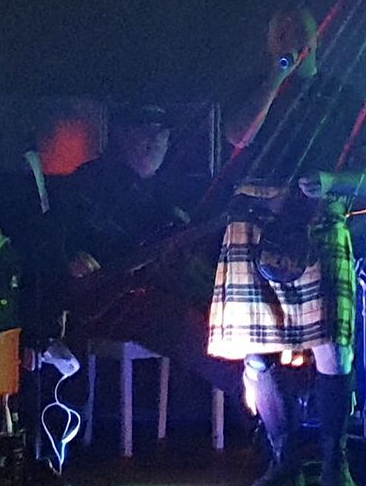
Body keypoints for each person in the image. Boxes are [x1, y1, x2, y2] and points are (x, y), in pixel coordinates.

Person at [205, 7, 366, 486]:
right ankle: (282, 459)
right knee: (255, 351)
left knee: (334, 347)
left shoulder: (344, 97)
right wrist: (276, 78)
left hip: (317, 221)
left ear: (319, 36)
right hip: (254, 223)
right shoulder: (249, 89)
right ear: (270, 43)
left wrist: (332, 182)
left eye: (300, 32)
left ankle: (334, 466)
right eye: (281, 33)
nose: (292, 40)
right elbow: (239, 135)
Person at [58, 105, 238, 394]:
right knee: (181, 323)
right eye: (143, 131)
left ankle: (272, 396)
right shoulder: (90, 180)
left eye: (161, 133)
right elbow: (59, 234)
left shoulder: (173, 189)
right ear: (121, 136)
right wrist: (72, 258)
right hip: (111, 303)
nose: (152, 142)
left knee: (224, 313)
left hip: (166, 293)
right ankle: (255, 400)